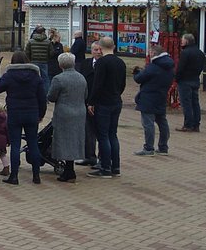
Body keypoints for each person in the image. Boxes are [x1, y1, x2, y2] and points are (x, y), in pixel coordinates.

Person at [0, 51, 47, 185]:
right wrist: (41, 114)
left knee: (15, 145)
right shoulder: (35, 76)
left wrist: (0, 81)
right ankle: (36, 176)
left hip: (15, 113)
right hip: (32, 113)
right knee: (33, 143)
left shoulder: (9, 75)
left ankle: (14, 176)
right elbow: (42, 98)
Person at [87, 36, 127, 177]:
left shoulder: (101, 63)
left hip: (103, 102)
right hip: (116, 101)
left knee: (103, 136)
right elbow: (123, 84)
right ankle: (115, 167)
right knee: (112, 134)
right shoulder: (121, 62)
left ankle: (105, 168)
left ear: (101, 47)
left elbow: (97, 85)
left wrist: (91, 102)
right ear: (114, 47)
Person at [47, 52, 88, 182]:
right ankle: (70, 169)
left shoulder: (58, 79)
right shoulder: (81, 77)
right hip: (80, 112)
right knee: (75, 139)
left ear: (60, 65)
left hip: (64, 113)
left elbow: (51, 97)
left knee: (64, 140)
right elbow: (85, 95)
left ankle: (69, 171)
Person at [132, 43, 174, 158]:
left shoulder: (153, 66)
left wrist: (137, 72)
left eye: (150, 52)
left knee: (148, 124)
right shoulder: (169, 66)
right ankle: (163, 146)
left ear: (154, 53)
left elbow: (139, 79)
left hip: (148, 98)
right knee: (162, 122)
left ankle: (148, 148)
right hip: (161, 96)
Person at [175, 33, 206, 133]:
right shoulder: (200, 53)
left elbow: (180, 68)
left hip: (185, 81)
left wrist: (177, 78)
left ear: (187, 41)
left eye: (183, 40)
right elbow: (201, 67)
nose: (181, 42)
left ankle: (188, 124)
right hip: (195, 79)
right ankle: (196, 125)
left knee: (186, 103)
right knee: (195, 103)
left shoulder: (185, 53)